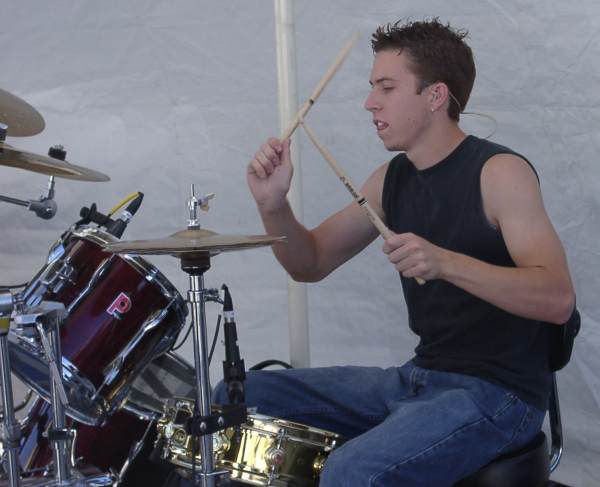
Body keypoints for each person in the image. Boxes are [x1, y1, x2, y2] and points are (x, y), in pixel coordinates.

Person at [214, 18, 575, 486]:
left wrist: (445, 262)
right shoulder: (391, 179)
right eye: (372, 88)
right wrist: (273, 205)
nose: (370, 102)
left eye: (386, 87)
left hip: (498, 395)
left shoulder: (499, 172)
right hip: (419, 378)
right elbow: (310, 263)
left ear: (435, 96)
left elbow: (557, 297)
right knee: (236, 397)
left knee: (351, 471)